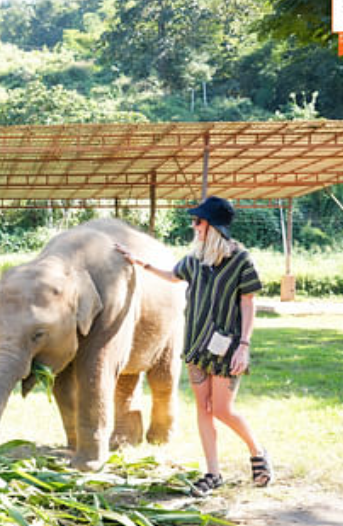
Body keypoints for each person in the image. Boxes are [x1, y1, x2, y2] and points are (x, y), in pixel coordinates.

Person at [115, 196, 273, 495]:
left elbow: (248, 302)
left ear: (212, 226)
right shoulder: (195, 259)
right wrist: (140, 262)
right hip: (197, 346)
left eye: (198, 221)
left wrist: (244, 345)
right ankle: (213, 473)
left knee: (223, 410)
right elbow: (173, 276)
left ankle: (258, 452)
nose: (194, 226)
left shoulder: (241, 259)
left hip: (228, 348)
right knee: (204, 408)